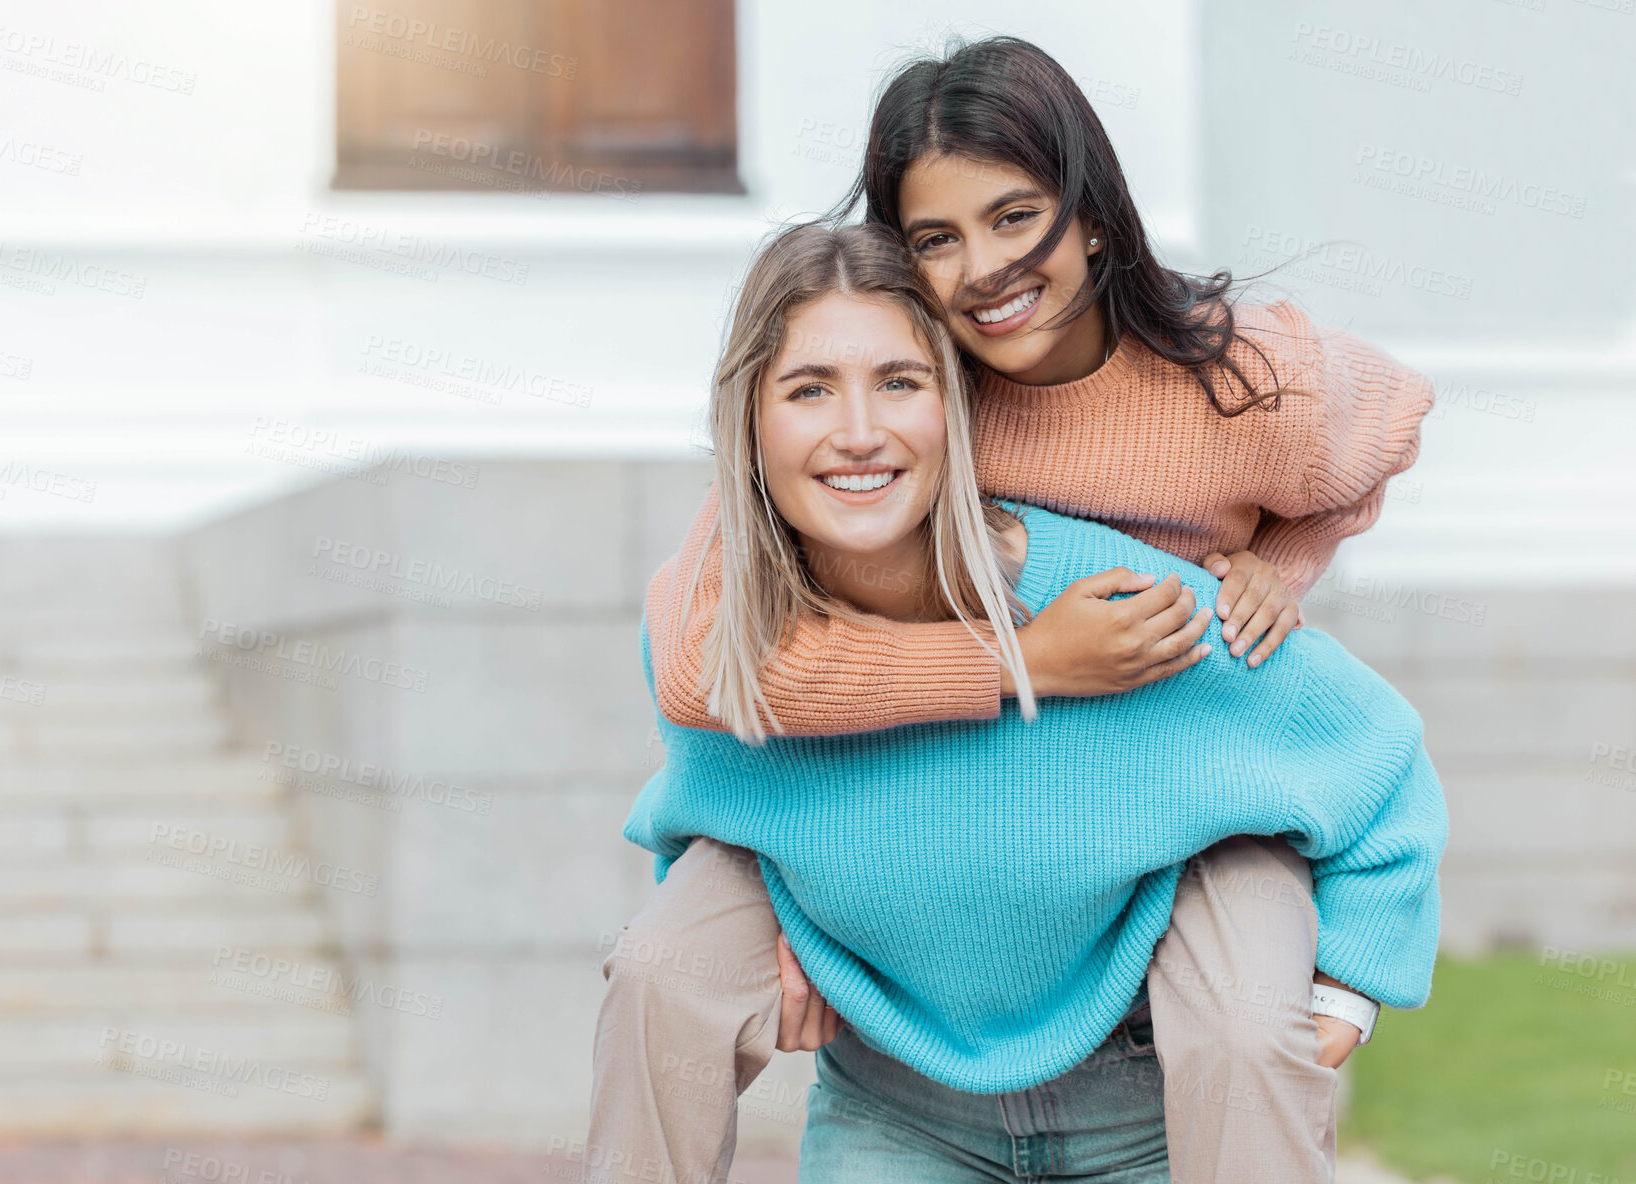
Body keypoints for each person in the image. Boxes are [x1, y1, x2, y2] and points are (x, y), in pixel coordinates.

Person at [598, 35, 1435, 1183]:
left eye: (1015, 217)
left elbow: (1390, 427)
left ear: (1091, 213)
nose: (983, 269)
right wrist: (1019, 658)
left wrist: (1277, 564)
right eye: (934, 239)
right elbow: (704, 657)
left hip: (1181, 718)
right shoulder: (910, 401)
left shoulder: (1241, 384)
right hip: (1024, 714)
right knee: (664, 967)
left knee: (1243, 998)